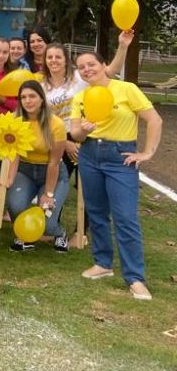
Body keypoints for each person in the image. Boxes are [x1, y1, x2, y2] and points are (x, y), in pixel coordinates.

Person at [70, 51, 162, 301]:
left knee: (125, 218)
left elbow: (154, 120)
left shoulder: (126, 89)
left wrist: (146, 153)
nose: (87, 69)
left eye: (91, 64)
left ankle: (135, 278)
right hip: (89, 156)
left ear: (103, 65)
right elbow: (76, 134)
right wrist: (83, 131)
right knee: (97, 213)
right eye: (81, 67)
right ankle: (103, 263)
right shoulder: (79, 97)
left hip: (121, 157)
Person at [3, 81, 69, 252]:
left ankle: (60, 233)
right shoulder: (15, 120)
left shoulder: (56, 124)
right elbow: (14, 154)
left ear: (41, 98)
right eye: (23, 97)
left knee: (46, 223)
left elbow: (54, 162)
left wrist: (48, 194)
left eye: (32, 96)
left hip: (52, 173)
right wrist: (9, 179)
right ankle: (26, 237)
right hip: (25, 170)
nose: (28, 101)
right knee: (15, 206)